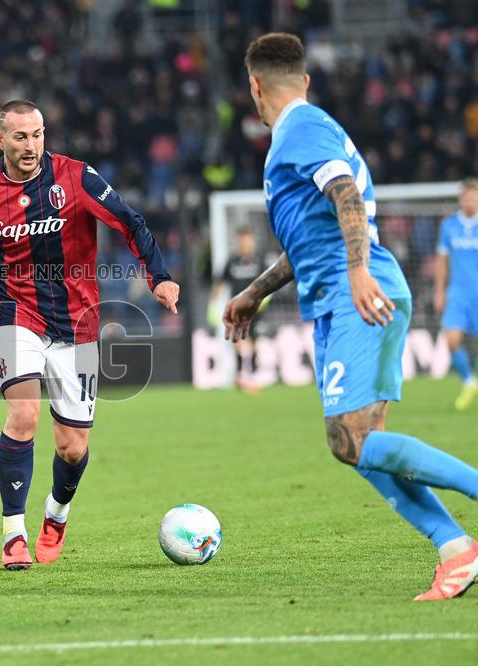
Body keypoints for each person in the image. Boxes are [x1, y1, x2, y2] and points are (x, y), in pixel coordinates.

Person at [223, 34, 478, 600]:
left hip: (357, 293)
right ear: (305, 78)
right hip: (347, 291)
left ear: (254, 87)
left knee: (350, 441)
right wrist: (255, 292)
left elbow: (346, 195)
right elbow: (308, 238)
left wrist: (359, 272)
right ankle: (456, 549)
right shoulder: (305, 131)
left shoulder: (301, 127)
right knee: (360, 445)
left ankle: (461, 530)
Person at [0, 100, 180, 570]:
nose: (32, 145)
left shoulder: (77, 178)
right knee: (23, 414)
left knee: (73, 447)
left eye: (38, 134)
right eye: (21, 137)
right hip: (12, 312)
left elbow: (132, 223)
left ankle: (56, 516)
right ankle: (12, 535)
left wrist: (159, 276)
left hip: (78, 321)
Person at [434, 178, 478, 411]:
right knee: (451, 341)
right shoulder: (449, 225)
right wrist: (439, 291)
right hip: (458, 294)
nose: (470, 202)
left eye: (474, 198)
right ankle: (469, 382)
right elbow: (442, 260)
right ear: (461, 199)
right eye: (467, 198)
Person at [209, 226, 268, 394]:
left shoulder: (260, 260)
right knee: (240, 340)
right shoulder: (232, 261)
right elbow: (219, 283)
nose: (245, 244)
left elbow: (270, 280)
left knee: (255, 340)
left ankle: (253, 375)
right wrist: (213, 306)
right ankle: (242, 375)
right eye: (242, 240)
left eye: (248, 240)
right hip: (238, 308)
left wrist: (266, 299)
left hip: (257, 308)